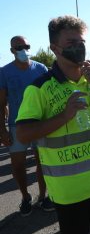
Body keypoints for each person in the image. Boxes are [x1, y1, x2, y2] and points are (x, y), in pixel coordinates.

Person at [15, 15, 90, 234]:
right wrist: (64, 116)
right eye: (71, 43)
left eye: (82, 41)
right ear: (54, 48)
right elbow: (23, 134)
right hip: (68, 189)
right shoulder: (39, 89)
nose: (79, 47)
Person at [0, 36, 53, 216]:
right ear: (12, 50)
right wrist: (2, 130)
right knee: (18, 166)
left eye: (26, 46)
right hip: (16, 125)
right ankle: (25, 197)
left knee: (43, 162)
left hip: (40, 123)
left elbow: (49, 96)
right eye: (18, 47)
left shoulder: (41, 68)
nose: (23, 49)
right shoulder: (4, 72)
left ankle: (43, 196)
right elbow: (1, 104)